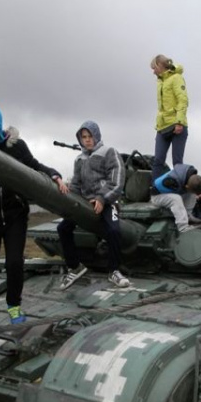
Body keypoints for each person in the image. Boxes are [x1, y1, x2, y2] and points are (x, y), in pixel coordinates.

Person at [0, 101, 68, 340]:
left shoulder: (16, 146)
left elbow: (34, 166)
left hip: (14, 214)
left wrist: (55, 175)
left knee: (15, 263)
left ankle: (14, 306)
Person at [58, 120, 131, 290]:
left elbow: (117, 179)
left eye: (90, 136)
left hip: (107, 201)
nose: (87, 140)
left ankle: (114, 270)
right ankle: (75, 267)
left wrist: (102, 198)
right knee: (63, 228)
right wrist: (68, 200)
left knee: (113, 230)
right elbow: (76, 184)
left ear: (96, 136)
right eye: (83, 137)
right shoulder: (79, 159)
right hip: (85, 203)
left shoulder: (109, 152)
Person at [151, 54, 189, 180]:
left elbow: (182, 100)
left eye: (154, 68)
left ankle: (179, 190)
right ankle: (155, 190)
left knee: (177, 162)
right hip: (162, 127)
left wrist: (179, 122)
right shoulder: (160, 81)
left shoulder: (176, 78)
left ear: (160, 66)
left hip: (176, 125)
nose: (153, 72)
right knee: (158, 160)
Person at [150, 164, 201, 233]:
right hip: (157, 196)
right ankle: (183, 227)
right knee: (176, 199)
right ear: (186, 186)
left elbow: (187, 190)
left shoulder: (189, 176)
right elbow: (172, 194)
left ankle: (187, 216)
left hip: (170, 192)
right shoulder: (171, 182)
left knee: (191, 193)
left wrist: (196, 196)